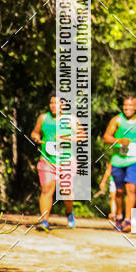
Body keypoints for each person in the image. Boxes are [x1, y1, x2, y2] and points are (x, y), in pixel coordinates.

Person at [30, 91, 84, 230]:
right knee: (47, 189)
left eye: (57, 103)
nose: (54, 105)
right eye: (52, 102)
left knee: (66, 190)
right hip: (47, 159)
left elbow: (82, 136)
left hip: (66, 160)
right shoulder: (43, 118)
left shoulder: (70, 119)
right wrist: (36, 138)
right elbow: (35, 132)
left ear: (64, 104)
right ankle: (44, 222)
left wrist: (66, 138)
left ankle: (68, 211)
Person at [102, 95, 136, 233]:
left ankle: (128, 220)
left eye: (131, 106)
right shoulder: (117, 120)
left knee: (131, 189)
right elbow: (106, 137)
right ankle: (119, 217)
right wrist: (118, 141)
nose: (127, 108)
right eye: (125, 105)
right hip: (118, 160)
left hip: (134, 160)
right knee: (119, 191)